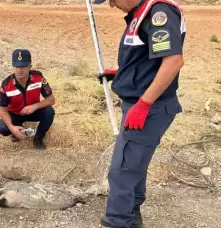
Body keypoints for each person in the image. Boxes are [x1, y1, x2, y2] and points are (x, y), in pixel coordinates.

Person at [93, 0, 186, 227]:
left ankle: (118, 220)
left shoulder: (159, 13)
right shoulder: (140, 13)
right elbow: (146, 58)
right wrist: (122, 73)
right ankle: (132, 216)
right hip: (141, 105)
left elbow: (173, 61)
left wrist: (144, 104)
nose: (111, 6)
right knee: (134, 164)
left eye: (112, 0)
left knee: (122, 170)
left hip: (149, 109)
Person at [0, 49, 55, 150]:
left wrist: (34, 106)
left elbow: (51, 99)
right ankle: (16, 130)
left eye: (23, 66)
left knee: (49, 111)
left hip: (32, 111)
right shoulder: (6, 84)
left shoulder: (38, 78)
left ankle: (38, 138)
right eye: (17, 66)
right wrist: (12, 127)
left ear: (30, 66)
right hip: (14, 114)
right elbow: (3, 111)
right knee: (3, 128)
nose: (19, 70)